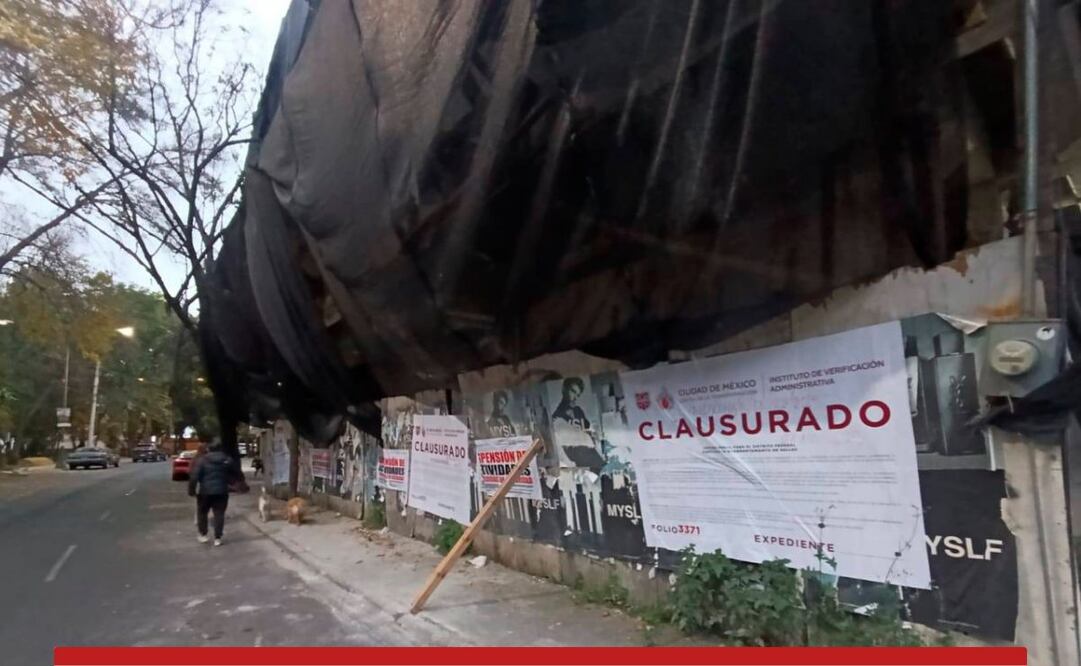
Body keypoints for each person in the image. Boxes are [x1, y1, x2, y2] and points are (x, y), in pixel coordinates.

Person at [188, 440, 241, 546]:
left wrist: (192, 490)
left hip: (205, 491)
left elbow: (194, 476)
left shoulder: (202, 460)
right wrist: (231, 482)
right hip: (222, 491)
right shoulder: (227, 459)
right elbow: (236, 473)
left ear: (209, 449)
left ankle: (203, 535)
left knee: (202, 513)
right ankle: (218, 538)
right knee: (219, 514)